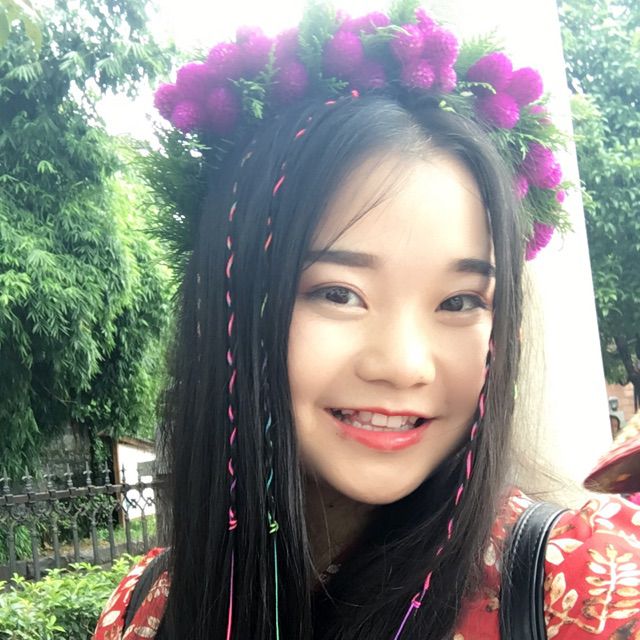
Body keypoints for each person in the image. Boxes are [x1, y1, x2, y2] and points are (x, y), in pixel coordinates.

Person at [93, 4, 640, 639]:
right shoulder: (146, 609)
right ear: (232, 311)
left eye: (460, 301)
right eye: (339, 293)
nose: (403, 365)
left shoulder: (589, 592)